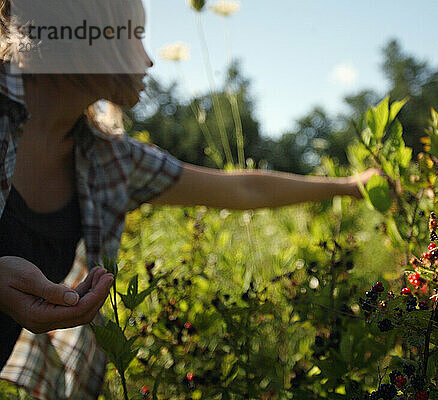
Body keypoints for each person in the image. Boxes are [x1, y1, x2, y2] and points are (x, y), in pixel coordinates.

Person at [0, 1, 381, 398]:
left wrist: (350, 185)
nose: (147, 60)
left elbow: (242, 189)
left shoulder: (108, 161)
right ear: (83, 33)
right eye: (134, 37)